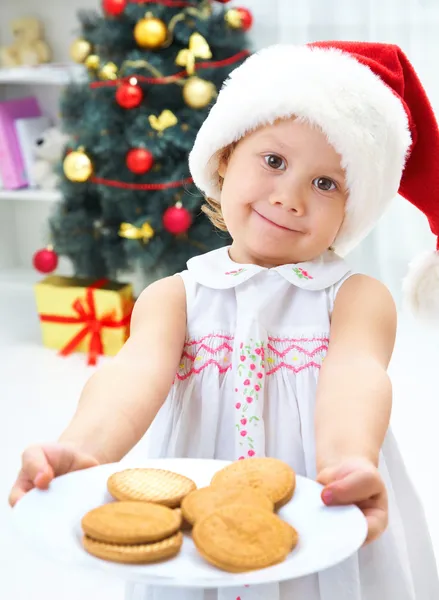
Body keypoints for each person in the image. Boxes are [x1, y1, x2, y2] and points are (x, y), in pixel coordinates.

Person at [9, 41, 439, 599]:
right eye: (275, 161)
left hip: (319, 512)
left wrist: (347, 461)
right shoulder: (175, 296)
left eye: (326, 183)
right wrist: (83, 451)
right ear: (224, 158)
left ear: (352, 210)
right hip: (197, 524)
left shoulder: (356, 297)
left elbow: (355, 379)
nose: (289, 198)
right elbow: (129, 379)